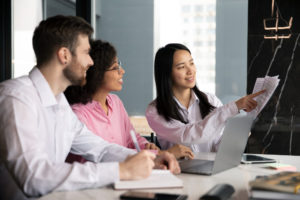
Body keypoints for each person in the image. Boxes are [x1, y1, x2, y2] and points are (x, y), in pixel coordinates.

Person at [0, 16, 180, 197]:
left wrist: (148, 159)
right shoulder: (16, 98)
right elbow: (34, 178)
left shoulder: (59, 102)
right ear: (64, 55)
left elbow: (100, 149)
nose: (91, 62)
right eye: (86, 52)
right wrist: (121, 171)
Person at [64, 40, 194, 161]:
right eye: (115, 67)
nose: (122, 71)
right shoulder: (78, 115)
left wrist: (146, 146)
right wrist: (160, 155)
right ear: (96, 73)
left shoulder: (115, 102)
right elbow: (102, 157)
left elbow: (132, 139)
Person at [146, 43, 264, 153]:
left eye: (191, 63)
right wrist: (234, 107)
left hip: (210, 171)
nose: (190, 71)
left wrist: (237, 136)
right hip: (179, 173)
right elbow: (188, 136)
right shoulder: (155, 111)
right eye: (181, 67)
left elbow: (218, 146)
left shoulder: (210, 100)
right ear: (167, 73)